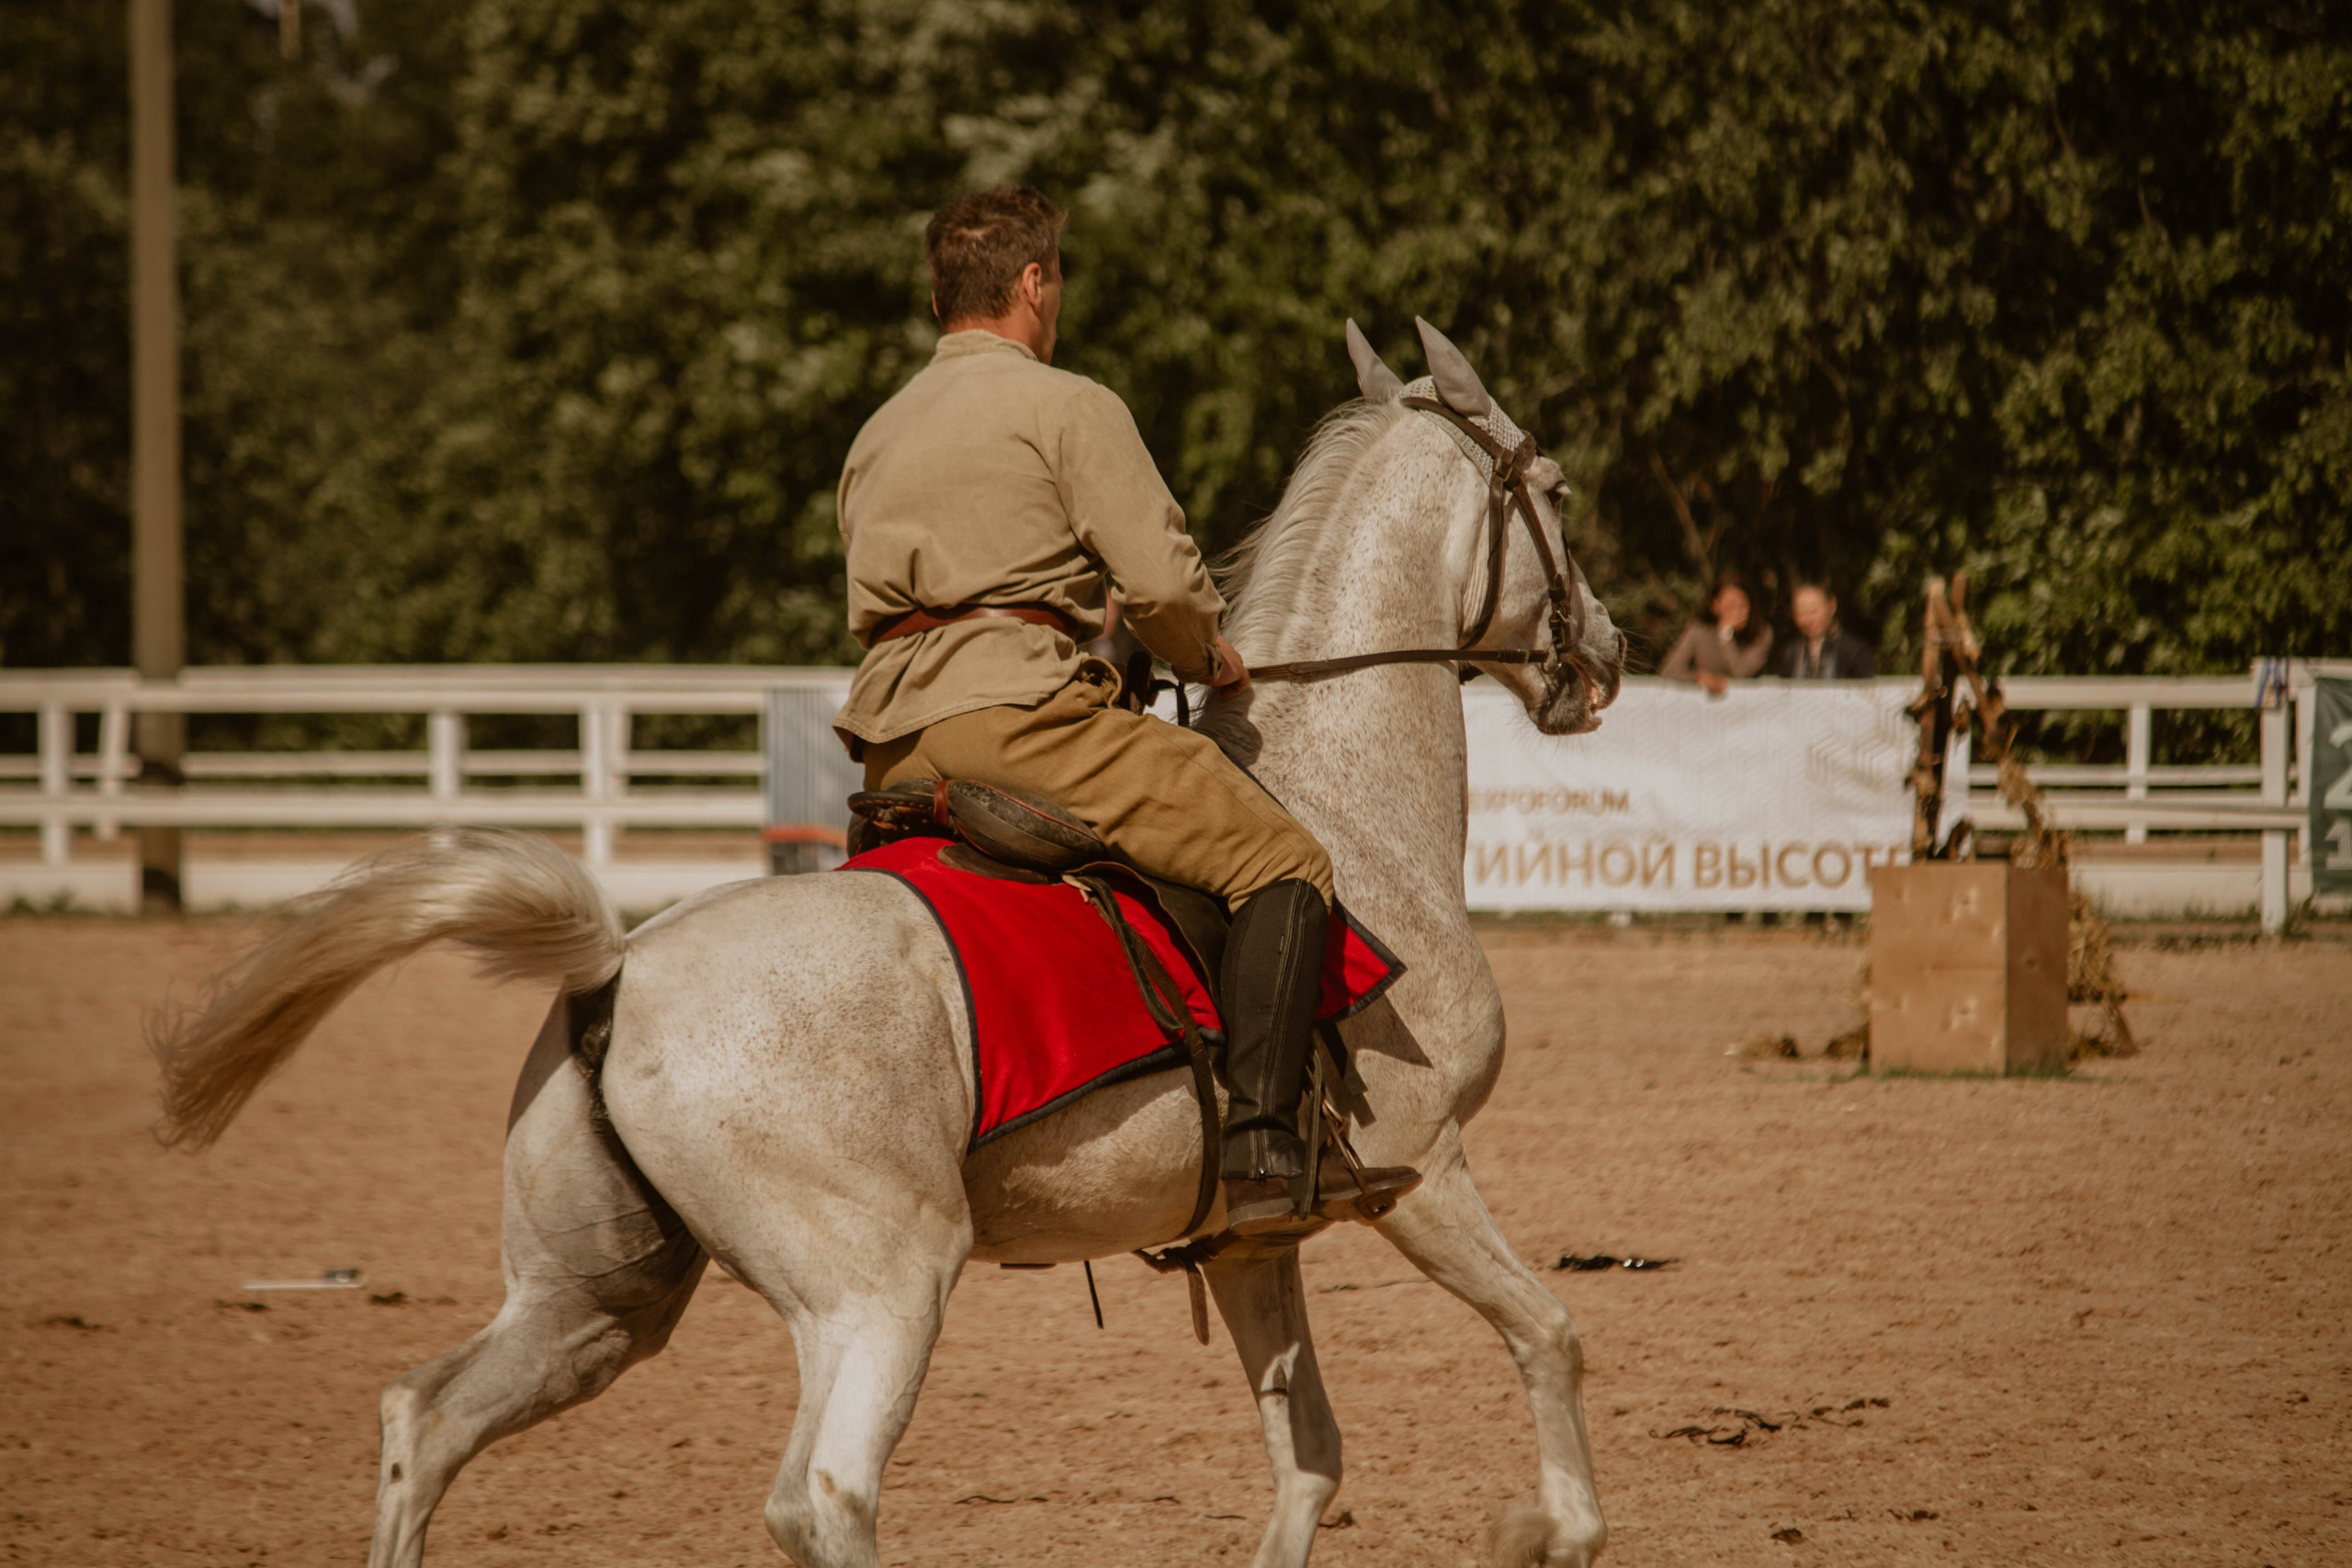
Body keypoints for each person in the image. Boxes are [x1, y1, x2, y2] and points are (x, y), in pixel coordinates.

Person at [831, 187, 1415, 1237]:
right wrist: (1209, 656)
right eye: (1053, 279)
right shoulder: (1067, 405)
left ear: (933, 296)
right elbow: (1159, 585)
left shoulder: (876, 430)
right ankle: (1267, 1150)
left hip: (885, 743)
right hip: (1019, 716)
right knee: (1282, 862)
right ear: (1031, 284)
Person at [1660, 570, 1773, 694]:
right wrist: (1699, 677)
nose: (1738, 612)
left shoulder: (1762, 633)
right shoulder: (1698, 632)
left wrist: (1726, 635)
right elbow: (1669, 671)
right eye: (1730, 606)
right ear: (1715, 606)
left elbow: (1740, 673)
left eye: (1742, 606)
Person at [1779, 582, 1876, 678]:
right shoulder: (1791, 653)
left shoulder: (1855, 651)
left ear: (1832, 605)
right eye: (1801, 612)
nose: (1807, 620)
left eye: (1813, 611)